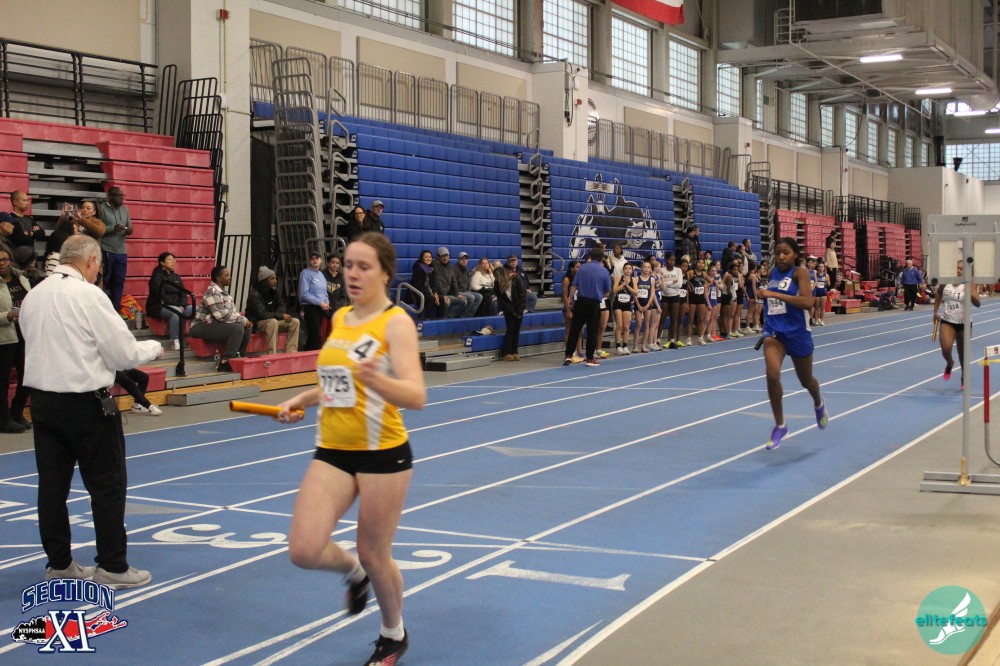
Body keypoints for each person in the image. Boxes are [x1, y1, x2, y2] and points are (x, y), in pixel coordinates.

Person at [275, 232, 423, 666]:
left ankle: (393, 634)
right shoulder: (341, 317)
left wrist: (379, 380)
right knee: (304, 549)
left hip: (383, 453)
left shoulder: (395, 322)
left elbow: (416, 395)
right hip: (333, 448)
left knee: (374, 552)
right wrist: (301, 400)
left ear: (385, 274)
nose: (352, 274)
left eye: (364, 267)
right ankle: (353, 574)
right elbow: (335, 383)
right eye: (349, 265)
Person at [20, 234, 163, 588]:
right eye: (98, 266)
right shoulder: (88, 295)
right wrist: (154, 348)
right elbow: (123, 354)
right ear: (90, 261)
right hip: (86, 404)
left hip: (43, 403)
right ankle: (112, 565)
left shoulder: (34, 295)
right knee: (107, 485)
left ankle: (59, 563)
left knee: (52, 487)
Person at [757, 237, 828, 451]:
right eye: (778, 252)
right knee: (772, 375)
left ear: (795, 254)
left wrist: (774, 294)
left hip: (797, 333)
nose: (781, 256)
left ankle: (818, 402)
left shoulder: (800, 272)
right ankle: (780, 425)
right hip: (774, 331)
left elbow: (807, 302)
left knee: (806, 381)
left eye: (786, 252)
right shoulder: (772, 273)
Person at [189, 265, 252, 371]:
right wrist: (242, 321)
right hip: (200, 326)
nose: (230, 277)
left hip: (215, 324)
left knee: (247, 327)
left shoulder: (225, 294)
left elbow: (233, 313)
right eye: (227, 275)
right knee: (237, 328)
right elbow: (221, 316)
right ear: (218, 278)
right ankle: (226, 362)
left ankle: (238, 357)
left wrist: (245, 321)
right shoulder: (211, 292)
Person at [933, 259, 980, 388]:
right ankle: (950, 363)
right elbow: (938, 293)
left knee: (963, 354)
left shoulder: (970, 284)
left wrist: (970, 293)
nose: (958, 271)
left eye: (961, 269)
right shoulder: (946, 282)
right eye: (957, 268)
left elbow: (978, 303)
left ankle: (964, 375)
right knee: (946, 348)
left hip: (964, 324)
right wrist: (935, 311)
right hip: (947, 321)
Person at [0, 246, 32, 432]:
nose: (2, 263)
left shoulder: (21, 278)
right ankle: (3, 420)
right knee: (2, 381)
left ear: (10, 260)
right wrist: (7, 316)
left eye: (5, 259)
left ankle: (17, 412)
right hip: (4, 338)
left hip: (24, 334)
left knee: (28, 376)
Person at [564, 246, 612, 367]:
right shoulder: (604, 271)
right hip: (594, 303)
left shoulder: (582, 268)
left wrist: (570, 298)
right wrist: (599, 293)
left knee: (575, 330)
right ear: (602, 258)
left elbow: (574, 285)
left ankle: (568, 355)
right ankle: (590, 358)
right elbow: (607, 291)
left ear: (590, 256)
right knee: (592, 331)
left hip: (580, 302)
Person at [246, 266, 301, 355]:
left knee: (295, 322)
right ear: (264, 281)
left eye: (275, 278)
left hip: (273, 320)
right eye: (272, 279)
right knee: (273, 322)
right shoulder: (254, 295)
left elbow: (281, 306)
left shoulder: (274, 291)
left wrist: (280, 314)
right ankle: (272, 354)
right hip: (258, 324)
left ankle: (291, 352)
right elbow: (262, 314)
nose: (275, 281)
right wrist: (280, 315)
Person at [146, 252, 192, 351]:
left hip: (178, 305)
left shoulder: (176, 277)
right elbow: (161, 296)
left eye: (174, 260)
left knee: (195, 309)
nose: (173, 262)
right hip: (158, 306)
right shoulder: (156, 277)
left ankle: (192, 337)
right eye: (170, 260)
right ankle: (175, 340)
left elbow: (183, 293)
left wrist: (182, 305)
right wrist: (177, 306)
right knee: (176, 312)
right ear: (162, 262)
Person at [99, 187, 133, 311]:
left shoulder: (125, 209)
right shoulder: (102, 209)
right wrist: (113, 228)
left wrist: (129, 230)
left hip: (121, 251)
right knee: (105, 280)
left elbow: (129, 225)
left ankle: (115, 310)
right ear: (110, 197)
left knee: (119, 281)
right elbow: (98, 228)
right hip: (106, 249)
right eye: (119, 195)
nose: (122, 198)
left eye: (123, 195)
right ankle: (102, 309)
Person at [299, 252, 331, 350]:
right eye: (312, 258)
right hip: (311, 308)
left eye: (317, 258)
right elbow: (304, 294)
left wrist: (326, 302)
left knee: (314, 336)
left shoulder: (321, 275)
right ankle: (315, 355)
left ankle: (307, 354)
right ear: (310, 261)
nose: (314, 260)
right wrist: (319, 302)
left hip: (321, 308)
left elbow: (324, 292)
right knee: (315, 335)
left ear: (321, 260)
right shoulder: (305, 273)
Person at [494, 263, 526, 361]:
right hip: (508, 309)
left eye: (497, 277)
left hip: (518, 307)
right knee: (510, 328)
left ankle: (514, 351)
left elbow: (523, 295)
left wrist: (520, 311)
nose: (496, 279)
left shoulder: (516, 279)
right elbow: (501, 299)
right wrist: (511, 311)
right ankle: (506, 352)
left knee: (517, 329)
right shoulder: (497, 283)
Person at [429, 247, 468, 318]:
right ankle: (442, 319)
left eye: (446, 255)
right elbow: (437, 281)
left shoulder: (449, 265)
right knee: (446, 302)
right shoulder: (435, 265)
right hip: (437, 294)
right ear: (438, 256)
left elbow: (453, 281)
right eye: (443, 256)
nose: (445, 258)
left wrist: (456, 294)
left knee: (463, 301)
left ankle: (448, 317)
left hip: (446, 294)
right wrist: (442, 295)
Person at [612, 263, 635, 354]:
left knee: (626, 326)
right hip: (618, 303)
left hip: (627, 304)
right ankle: (618, 346)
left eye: (629, 268)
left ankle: (625, 346)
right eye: (626, 268)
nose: (628, 270)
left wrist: (628, 286)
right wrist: (623, 284)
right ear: (623, 269)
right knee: (619, 325)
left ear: (632, 270)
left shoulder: (633, 279)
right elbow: (614, 290)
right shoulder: (619, 277)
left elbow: (636, 292)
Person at [561, 261, 583, 358]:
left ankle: (579, 350)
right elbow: (565, 296)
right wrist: (568, 310)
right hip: (570, 307)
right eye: (577, 267)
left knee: (580, 331)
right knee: (569, 330)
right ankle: (570, 352)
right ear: (571, 268)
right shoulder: (567, 279)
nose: (579, 269)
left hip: (579, 307)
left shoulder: (580, 278)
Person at [453, 251, 483, 317]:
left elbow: (468, 283)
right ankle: (463, 316)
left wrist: (469, 291)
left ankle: (469, 316)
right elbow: (453, 284)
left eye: (466, 259)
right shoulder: (455, 269)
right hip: (457, 291)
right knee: (471, 297)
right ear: (458, 259)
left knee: (479, 296)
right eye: (462, 259)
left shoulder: (466, 269)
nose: (464, 261)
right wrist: (457, 294)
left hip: (465, 291)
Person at [409, 250, 435, 317]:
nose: (428, 258)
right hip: (417, 293)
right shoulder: (418, 266)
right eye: (426, 257)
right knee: (431, 299)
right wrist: (431, 294)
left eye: (430, 257)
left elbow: (433, 283)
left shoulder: (431, 268)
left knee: (441, 299)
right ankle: (426, 318)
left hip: (427, 292)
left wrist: (435, 293)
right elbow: (418, 285)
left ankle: (442, 319)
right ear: (422, 258)